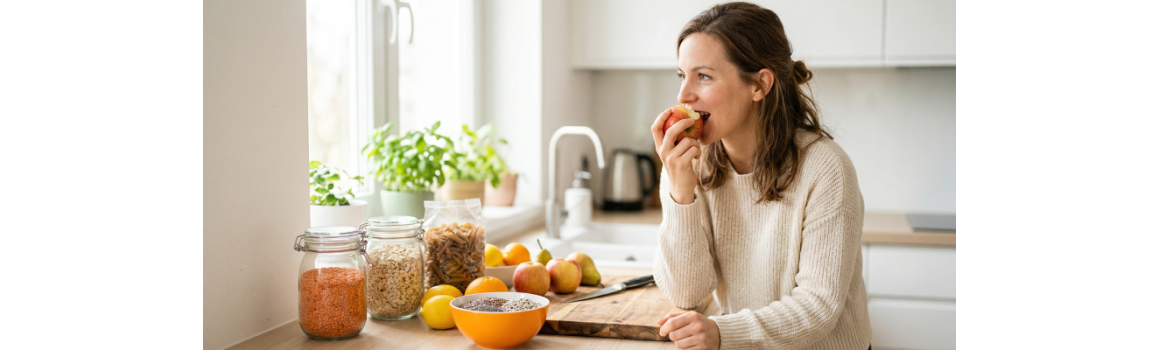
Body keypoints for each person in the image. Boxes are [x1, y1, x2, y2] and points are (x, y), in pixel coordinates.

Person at [651, 2, 872, 350]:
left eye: (703, 76)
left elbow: (819, 306)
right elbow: (687, 293)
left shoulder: (826, 169)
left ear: (759, 85)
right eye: (682, 75)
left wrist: (722, 332)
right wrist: (681, 193)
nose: (684, 95)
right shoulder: (691, 163)